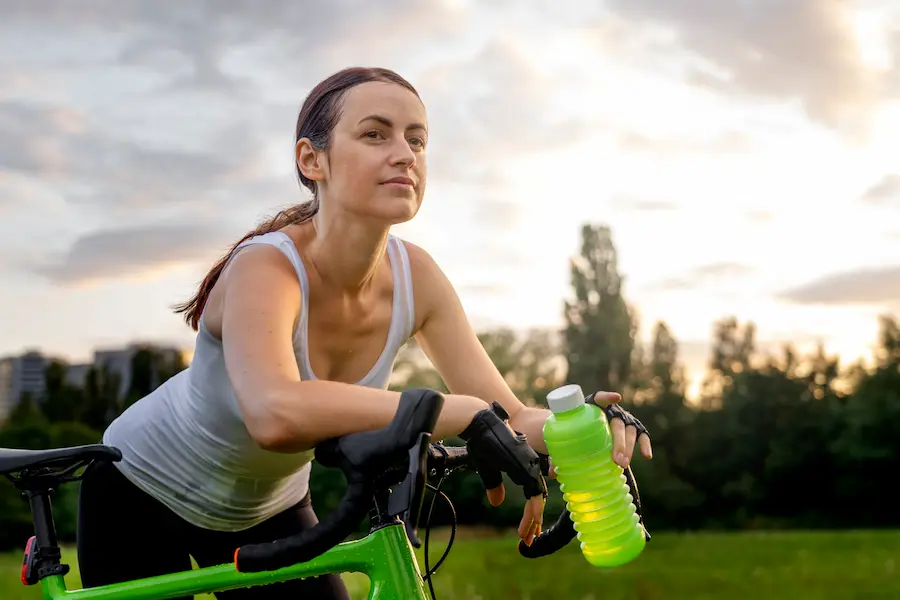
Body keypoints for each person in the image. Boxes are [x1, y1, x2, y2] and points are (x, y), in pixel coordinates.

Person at [76, 66, 652, 599]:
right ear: (312, 160)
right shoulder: (267, 267)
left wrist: (581, 429)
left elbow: (507, 416)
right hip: (141, 489)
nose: (405, 154)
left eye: (417, 139)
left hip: (269, 507)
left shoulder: (417, 276)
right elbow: (274, 413)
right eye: (376, 134)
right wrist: (446, 411)